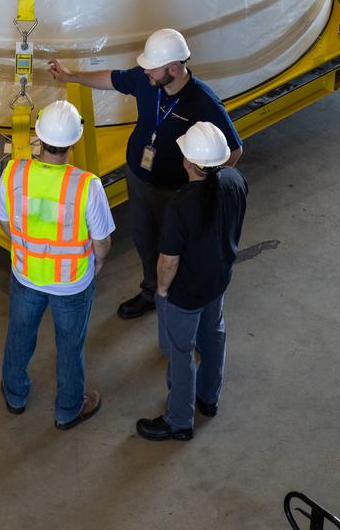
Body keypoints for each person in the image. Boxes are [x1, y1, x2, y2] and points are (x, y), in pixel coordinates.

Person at [49, 28, 242, 319]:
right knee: (144, 238)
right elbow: (113, 79)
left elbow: (234, 150)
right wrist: (70, 76)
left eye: (153, 67)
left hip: (177, 190)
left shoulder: (203, 102)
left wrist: (202, 191)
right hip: (139, 178)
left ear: (174, 68)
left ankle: (178, 303)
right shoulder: (147, 79)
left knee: (176, 248)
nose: (145, 71)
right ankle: (152, 291)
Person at [0, 99, 115, 430]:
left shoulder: (15, 171)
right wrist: (95, 265)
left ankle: (15, 395)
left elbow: (4, 218)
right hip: (72, 283)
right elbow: (102, 241)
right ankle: (67, 410)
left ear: (38, 134)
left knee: (19, 335)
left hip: (26, 274)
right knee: (70, 345)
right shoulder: (87, 185)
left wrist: (24, 247)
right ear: (73, 141)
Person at [136, 121, 248, 441]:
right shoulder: (236, 180)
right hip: (219, 279)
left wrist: (161, 290)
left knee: (181, 352)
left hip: (186, 292)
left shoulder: (181, 204)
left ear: (188, 162)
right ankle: (209, 399)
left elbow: (169, 261)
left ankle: (179, 420)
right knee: (213, 336)